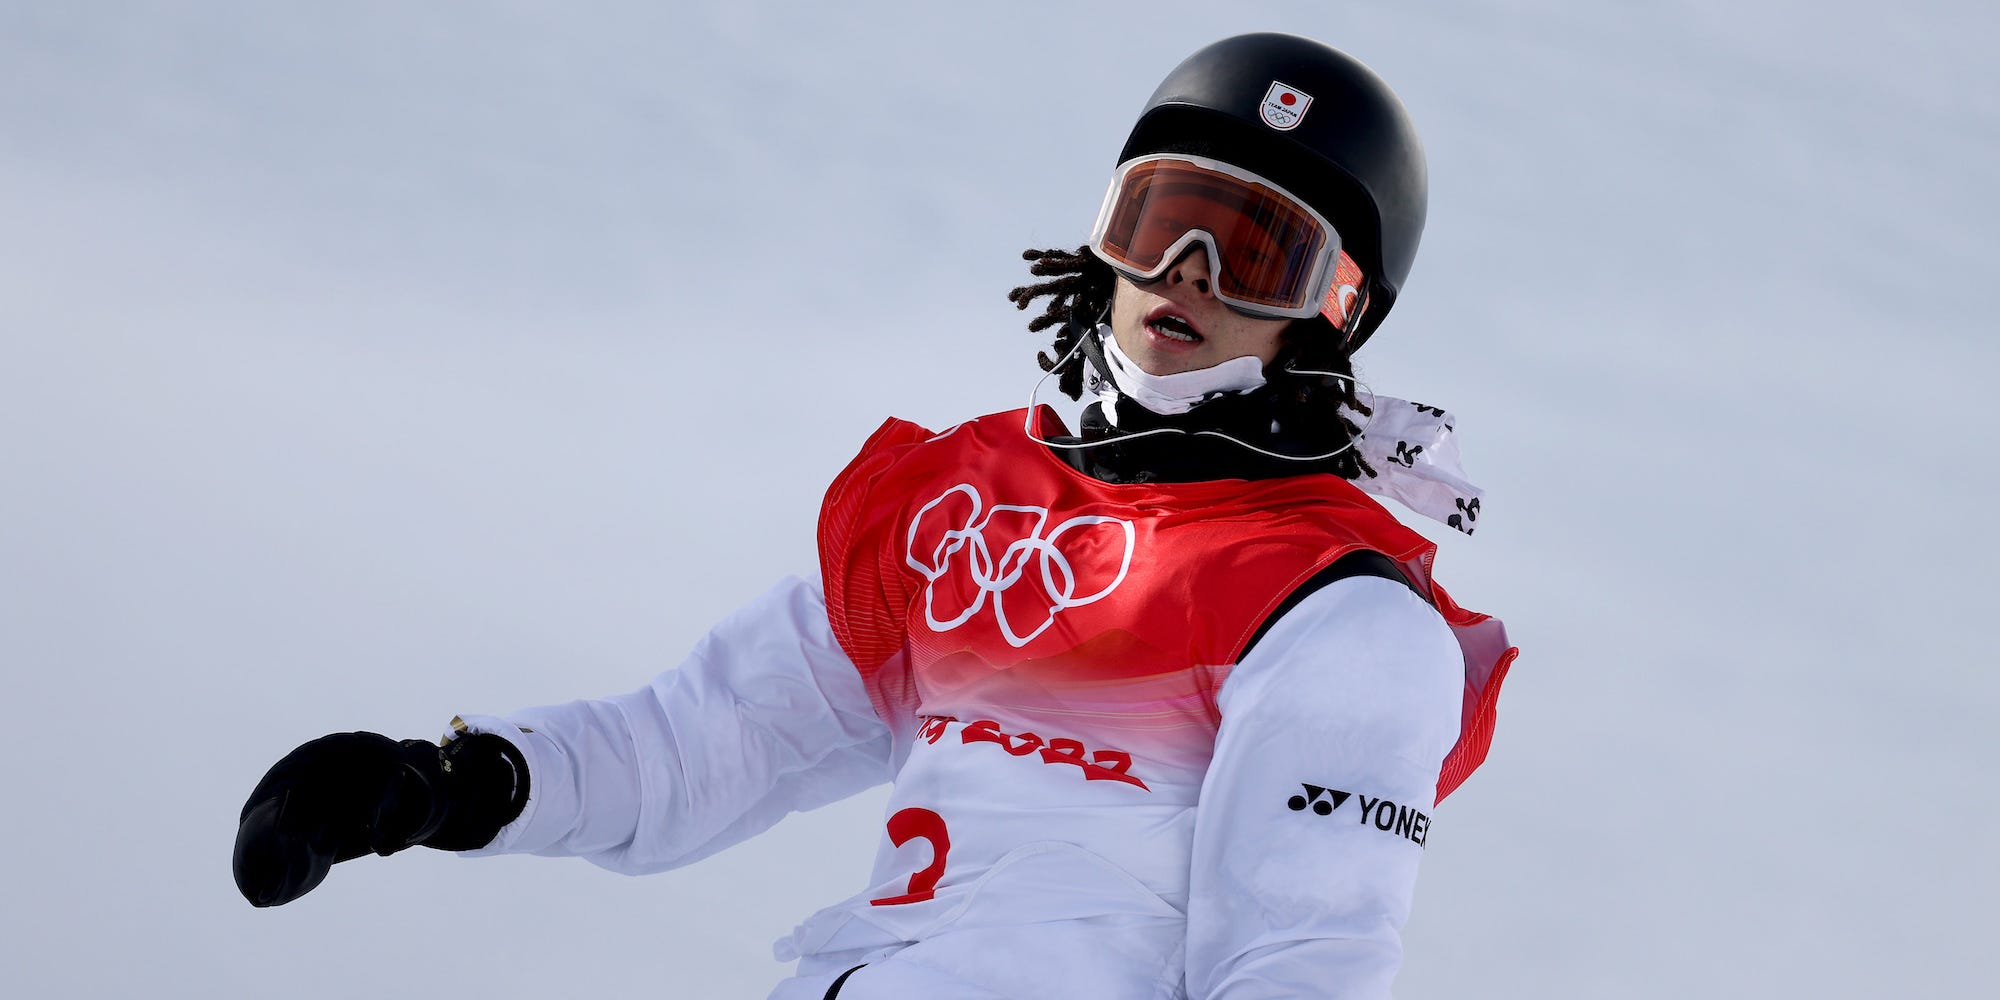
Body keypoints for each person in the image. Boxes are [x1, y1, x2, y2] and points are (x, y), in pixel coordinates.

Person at [233, 32, 1517, 1000]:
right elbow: (710, 739)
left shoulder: (1336, 613)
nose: (1184, 278)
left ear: (1334, 310)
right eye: (1163, 220)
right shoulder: (962, 509)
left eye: (1253, 253)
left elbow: (1300, 957)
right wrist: (448, 783)